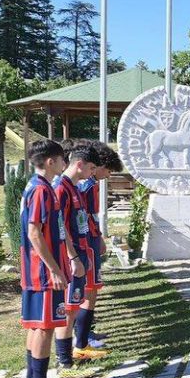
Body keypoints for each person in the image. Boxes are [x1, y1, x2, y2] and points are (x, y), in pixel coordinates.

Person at [18, 140, 72, 378]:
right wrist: (54, 269)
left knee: (36, 325)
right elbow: (34, 233)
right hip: (41, 271)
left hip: (34, 270)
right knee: (44, 325)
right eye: (63, 159)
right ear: (51, 161)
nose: (65, 164)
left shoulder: (36, 186)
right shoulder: (41, 190)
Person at [52, 142, 107, 378]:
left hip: (81, 253)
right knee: (69, 308)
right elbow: (59, 227)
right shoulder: (61, 188)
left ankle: (74, 353)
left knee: (74, 306)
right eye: (91, 168)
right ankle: (64, 363)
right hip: (71, 258)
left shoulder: (73, 186)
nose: (92, 173)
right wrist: (72, 256)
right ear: (79, 164)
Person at [76, 141, 123, 352]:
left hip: (91, 237)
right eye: (108, 170)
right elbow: (84, 216)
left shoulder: (90, 184)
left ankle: (86, 333)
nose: (108, 175)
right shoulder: (84, 186)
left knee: (92, 288)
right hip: (86, 240)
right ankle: (82, 340)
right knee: (89, 289)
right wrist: (97, 237)